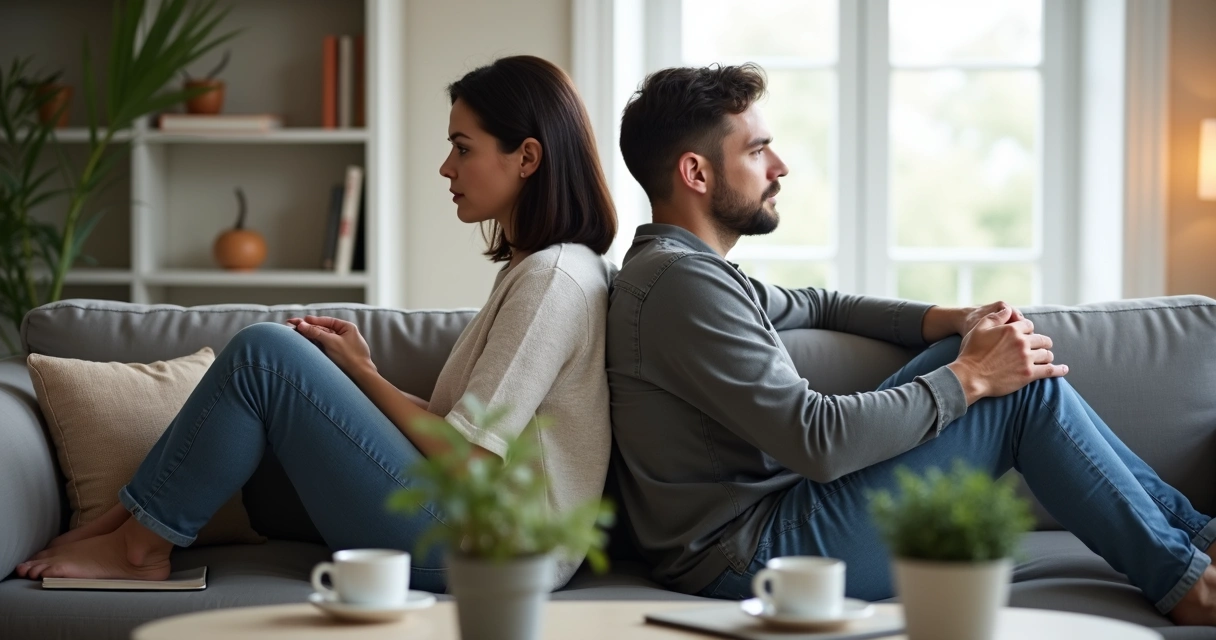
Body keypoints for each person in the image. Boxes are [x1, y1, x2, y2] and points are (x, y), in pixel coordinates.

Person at [605, 62, 1216, 626]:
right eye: (759, 150)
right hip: (748, 558)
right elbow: (816, 439)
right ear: (696, 172)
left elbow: (820, 303)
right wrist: (973, 377)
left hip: (769, 522)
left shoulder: (690, 269)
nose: (780, 166)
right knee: (1017, 394)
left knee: (993, 361)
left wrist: (948, 318)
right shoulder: (681, 285)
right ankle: (1190, 586)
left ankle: (1196, 538)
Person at [16, 55, 618, 592]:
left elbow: (466, 459)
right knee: (265, 357)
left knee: (263, 356)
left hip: (494, 552)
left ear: (527, 157)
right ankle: (125, 524)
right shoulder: (539, 269)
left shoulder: (552, 281)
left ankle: (139, 547)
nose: (445, 167)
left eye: (463, 148)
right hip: (474, 528)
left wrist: (366, 378)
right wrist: (364, 372)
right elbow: (461, 436)